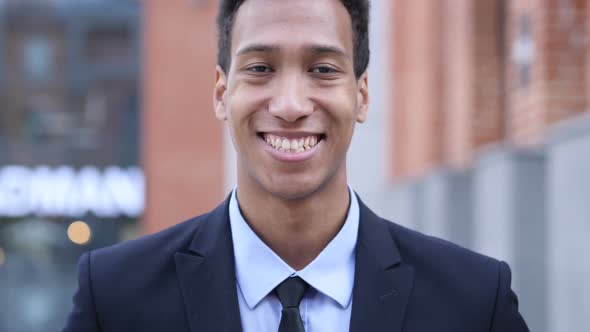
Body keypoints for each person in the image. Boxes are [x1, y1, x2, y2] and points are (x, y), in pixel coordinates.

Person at [63, 0, 530, 331]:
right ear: (222, 93)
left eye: (323, 69)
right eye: (261, 68)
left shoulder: (472, 301)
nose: (289, 105)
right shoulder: (115, 297)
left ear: (361, 95)